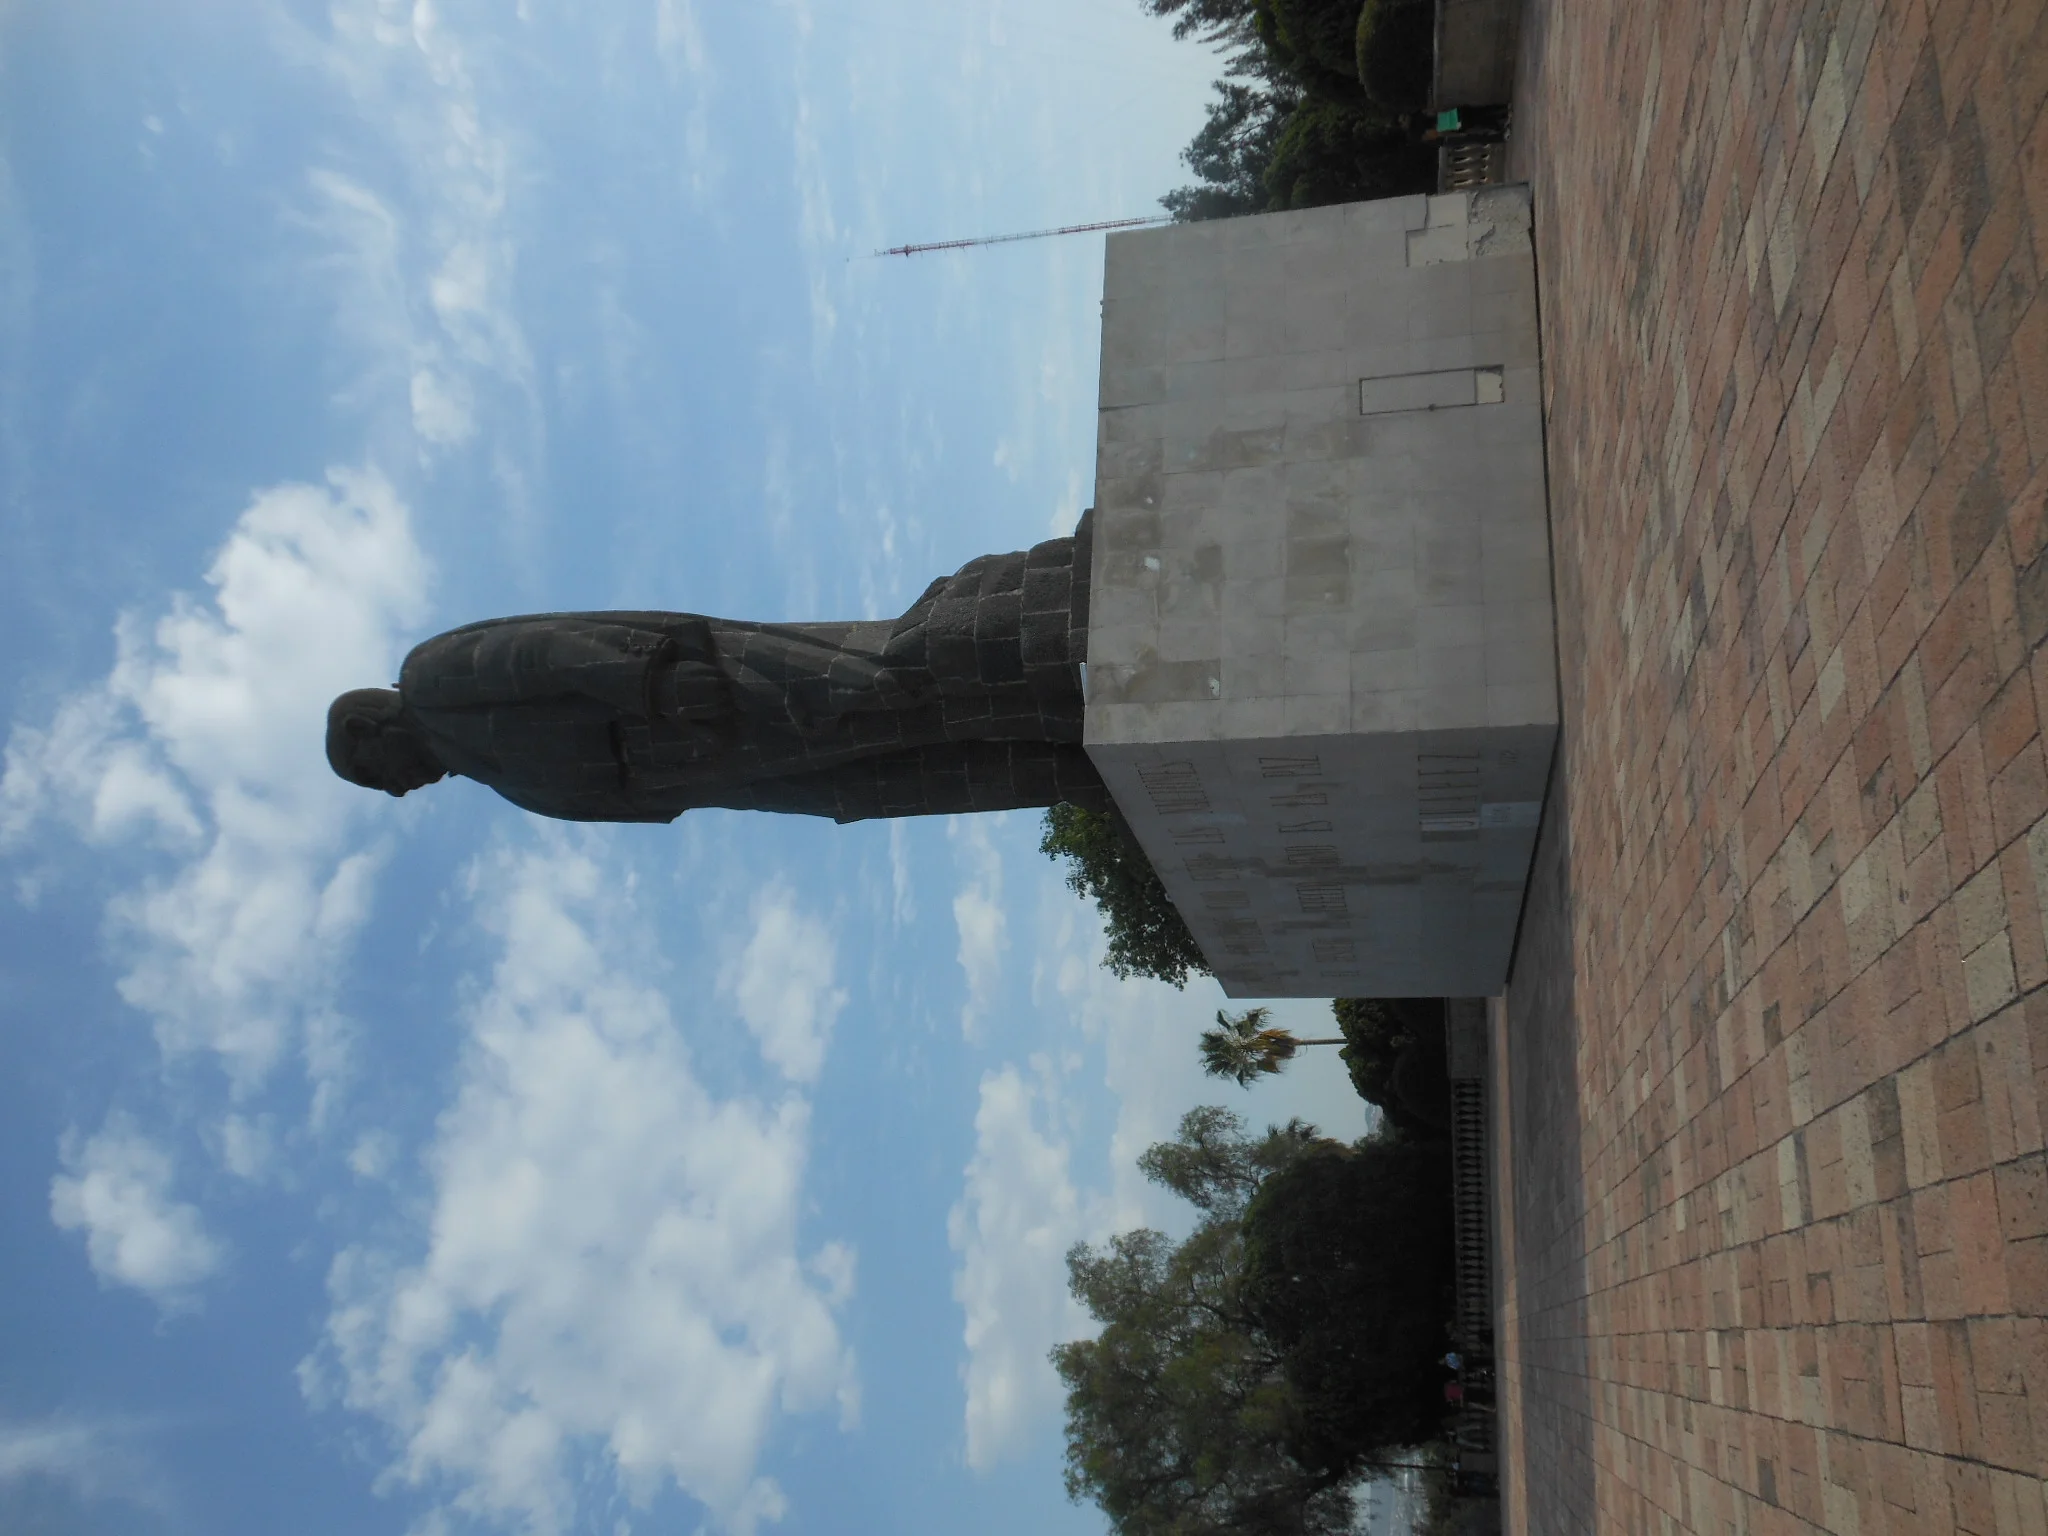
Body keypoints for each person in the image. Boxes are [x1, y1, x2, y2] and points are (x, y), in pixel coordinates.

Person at [327, 524, 1111, 824]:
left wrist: (652, 681)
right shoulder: (503, 781)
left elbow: (540, 651)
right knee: (904, 772)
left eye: (374, 776)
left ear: (369, 727)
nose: (395, 789)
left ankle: (1061, 609)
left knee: (889, 678)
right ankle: (1088, 755)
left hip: (703, 693)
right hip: (744, 768)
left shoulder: (428, 680)